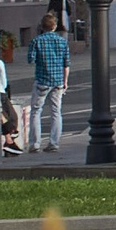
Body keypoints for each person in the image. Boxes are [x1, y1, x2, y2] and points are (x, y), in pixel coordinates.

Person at [26, 14, 71, 152]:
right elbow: (66, 64)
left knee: (36, 111)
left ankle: (35, 144)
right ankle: (54, 143)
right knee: (56, 112)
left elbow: (31, 60)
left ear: (42, 26)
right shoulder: (62, 41)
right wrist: (65, 81)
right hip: (58, 81)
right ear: (55, 26)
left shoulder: (36, 41)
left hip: (42, 80)